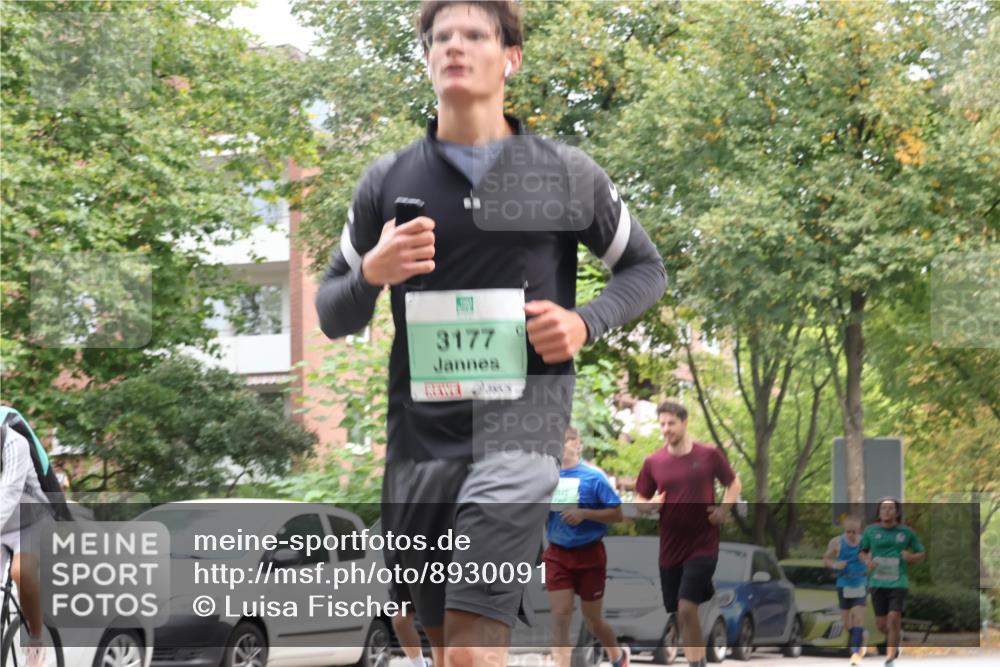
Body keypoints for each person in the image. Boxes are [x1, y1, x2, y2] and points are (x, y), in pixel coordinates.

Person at [314, 2, 666, 665]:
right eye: (440, 36)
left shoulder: (565, 172)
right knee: (447, 650)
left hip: (520, 434)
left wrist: (584, 321)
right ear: (425, 59)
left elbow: (646, 269)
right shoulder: (387, 182)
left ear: (510, 57)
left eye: (474, 34)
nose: (454, 46)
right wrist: (371, 272)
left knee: (474, 652)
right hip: (419, 446)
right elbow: (334, 311)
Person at [634, 402, 741, 667]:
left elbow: (733, 483)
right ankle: (698, 660)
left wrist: (724, 511)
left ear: (684, 422)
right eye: (662, 424)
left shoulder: (708, 455)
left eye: (671, 423)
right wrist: (650, 505)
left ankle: (695, 664)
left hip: (703, 545)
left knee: (686, 608)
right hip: (671, 548)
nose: (666, 429)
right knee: (680, 613)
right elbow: (639, 499)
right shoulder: (653, 462)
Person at [544, 427, 627, 667]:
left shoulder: (594, 477)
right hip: (558, 554)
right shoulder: (548, 477)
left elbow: (618, 514)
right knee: (560, 615)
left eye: (564, 441)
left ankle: (617, 657)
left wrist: (584, 513)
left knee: (593, 621)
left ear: (577, 444)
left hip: (590, 554)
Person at [1, 417, 53, 667]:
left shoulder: (14, 444)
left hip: (32, 520)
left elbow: (8, 494)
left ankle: (36, 640)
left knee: (22, 572)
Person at [860, 498, 925, 667]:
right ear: (879, 512)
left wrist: (910, 557)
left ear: (897, 512)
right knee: (882, 625)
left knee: (894, 618)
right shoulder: (870, 531)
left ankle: (890, 658)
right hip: (877, 582)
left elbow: (921, 552)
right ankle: (896, 636)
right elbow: (862, 552)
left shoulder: (907, 533)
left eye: (890, 508)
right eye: (883, 508)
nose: (886, 511)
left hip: (898, 582)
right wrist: (867, 561)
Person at [823, 515, 869, 665]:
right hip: (843, 582)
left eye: (854, 532)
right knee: (846, 623)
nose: (851, 535)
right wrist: (836, 565)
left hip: (860, 581)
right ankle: (862, 636)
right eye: (848, 531)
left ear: (859, 530)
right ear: (844, 530)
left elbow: (872, 559)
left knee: (858, 617)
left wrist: (869, 561)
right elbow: (826, 559)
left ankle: (855, 654)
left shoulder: (865, 542)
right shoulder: (836, 542)